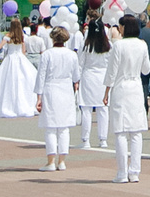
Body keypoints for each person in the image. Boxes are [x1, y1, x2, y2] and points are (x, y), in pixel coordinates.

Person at [107, 13, 150, 183]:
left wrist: (106, 91)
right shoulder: (142, 45)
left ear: (124, 28)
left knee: (120, 131)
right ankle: (135, 172)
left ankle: (121, 172)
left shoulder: (118, 46)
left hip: (121, 87)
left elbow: (111, 71)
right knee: (136, 132)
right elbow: (146, 69)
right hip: (135, 87)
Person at [39, 26, 80, 169]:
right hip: (66, 89)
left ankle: (50, 161)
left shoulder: (47, 54)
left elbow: (41, 77)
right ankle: (62, 161)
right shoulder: (72, 55)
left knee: (50, 127)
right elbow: (76, 76)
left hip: (51, 88)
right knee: (64, 127)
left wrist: (38, 97)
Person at [80, 18, 114, 150]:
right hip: (103, 77)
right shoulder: (108, 45)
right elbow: (111, 64)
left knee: (86, 108)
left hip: (88, 76)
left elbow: (80, 62)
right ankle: (103, 139)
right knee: (103, 108)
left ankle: (85, 140)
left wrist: (76, 80)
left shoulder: (87, 45)